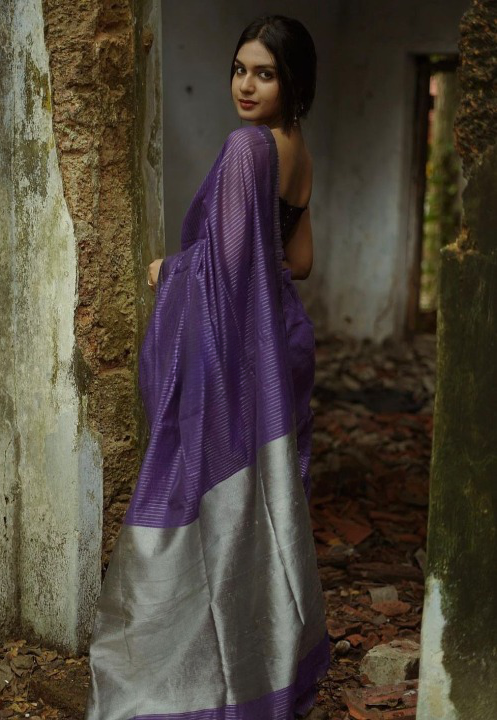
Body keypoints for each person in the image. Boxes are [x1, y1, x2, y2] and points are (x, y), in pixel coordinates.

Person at [85, 15, 330, 720]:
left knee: (203, 494)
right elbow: (303, 261)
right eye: (239, 69)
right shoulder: (295, 148)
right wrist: (258, 272)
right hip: (279, 343)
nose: (246, 86)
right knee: (262, 507)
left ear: (292, 81)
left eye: (265, 73)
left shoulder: (246, 146)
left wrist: (172, 267)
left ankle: (193, 673)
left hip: (241, 356)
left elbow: (222, 267)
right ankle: (272, 657)